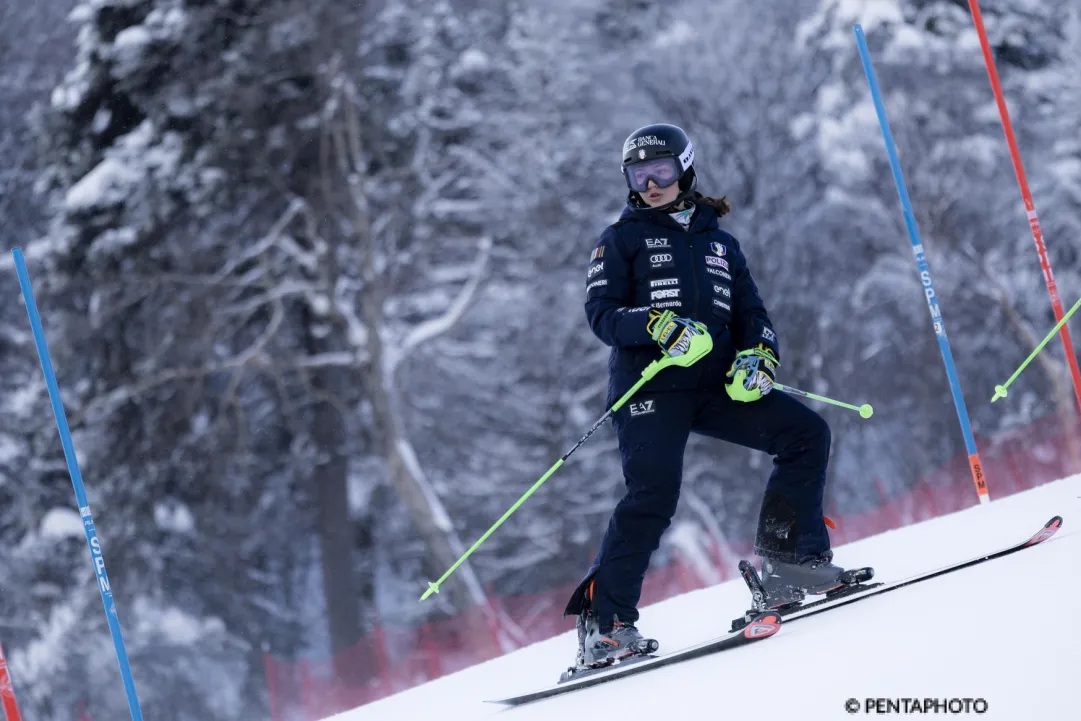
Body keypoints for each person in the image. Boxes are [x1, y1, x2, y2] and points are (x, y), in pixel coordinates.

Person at [563, 123, 852, 671]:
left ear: (686, 171)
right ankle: (606, 625)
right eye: (638, 174)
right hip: (651, 387)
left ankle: (789, 562)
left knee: (805, 434)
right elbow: (601, 315)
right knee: (653, 494)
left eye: (662, 171)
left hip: (719, 384)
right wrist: (657, 326)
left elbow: (752, 314)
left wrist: (759, 356)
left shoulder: (720, 242)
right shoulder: (619, 239)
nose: (650, 184)